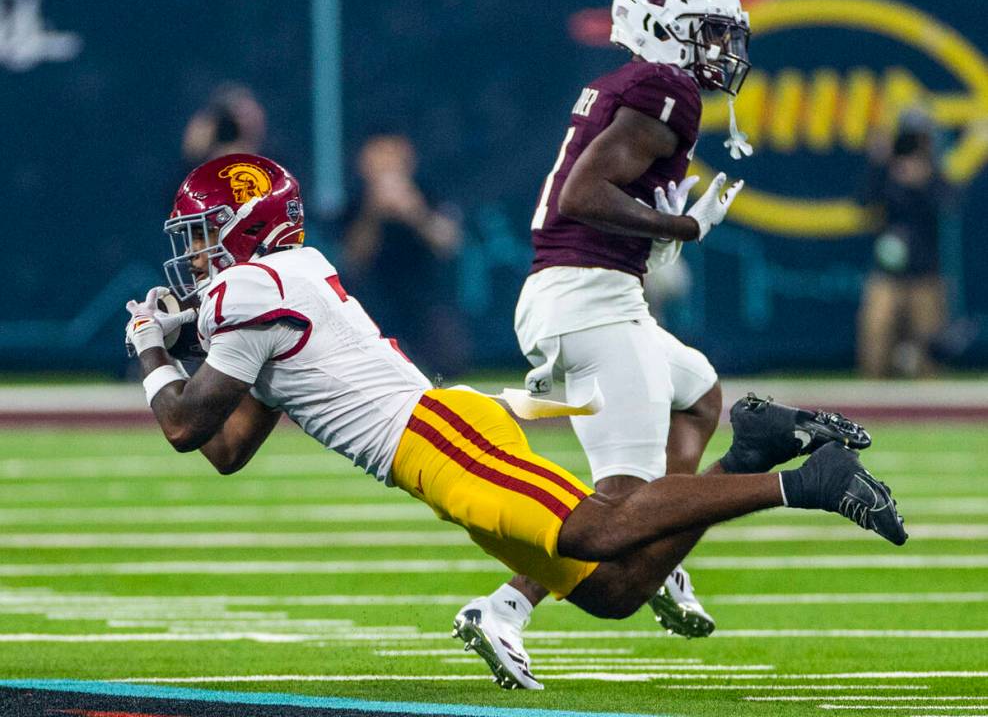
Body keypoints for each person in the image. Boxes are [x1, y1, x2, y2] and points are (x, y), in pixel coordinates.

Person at [125, 153, 906, 691]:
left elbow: (186, 424)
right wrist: (178, 345)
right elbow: (227, 448)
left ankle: (807, 481)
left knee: (603, 528)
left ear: (247, 226)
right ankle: (751, 455)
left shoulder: (252, 290)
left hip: (440, 438)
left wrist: (152, 350)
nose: (194, 257)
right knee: (613, 590)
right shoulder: (272, 287)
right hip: (435, 452)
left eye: (203, 234)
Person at [455, 0, 757, 683]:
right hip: (588, 301)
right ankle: (503, 609)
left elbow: (597, 199)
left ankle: (658, 560)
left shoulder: (635, 86)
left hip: (589, 294)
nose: (723, 51)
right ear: (664, 31)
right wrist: (681, 231)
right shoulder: (665, 88)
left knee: (701, 395)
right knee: (621, 497)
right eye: (709, 33)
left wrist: (658, 224)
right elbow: (582, 197)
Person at [341, 134, 467, 374]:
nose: (387, 165)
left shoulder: (430, 193)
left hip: (425, 301)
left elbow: (448, 243)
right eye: (379, 156)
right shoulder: (353, 203)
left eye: (393, 155)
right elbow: (353, 258)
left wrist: (414, 212)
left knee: (448, 365)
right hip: (371, 304)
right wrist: (373, 212)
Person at [856, 108, 949, 378]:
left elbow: (948, 203)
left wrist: (923, 181)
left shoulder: (933, 172)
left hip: (924, 274)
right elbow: (864, 200)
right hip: (887, 273)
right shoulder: (887, 170)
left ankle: (930, 405)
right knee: (875, 332)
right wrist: (877, 163)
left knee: (929, 345)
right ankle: (873, 399)